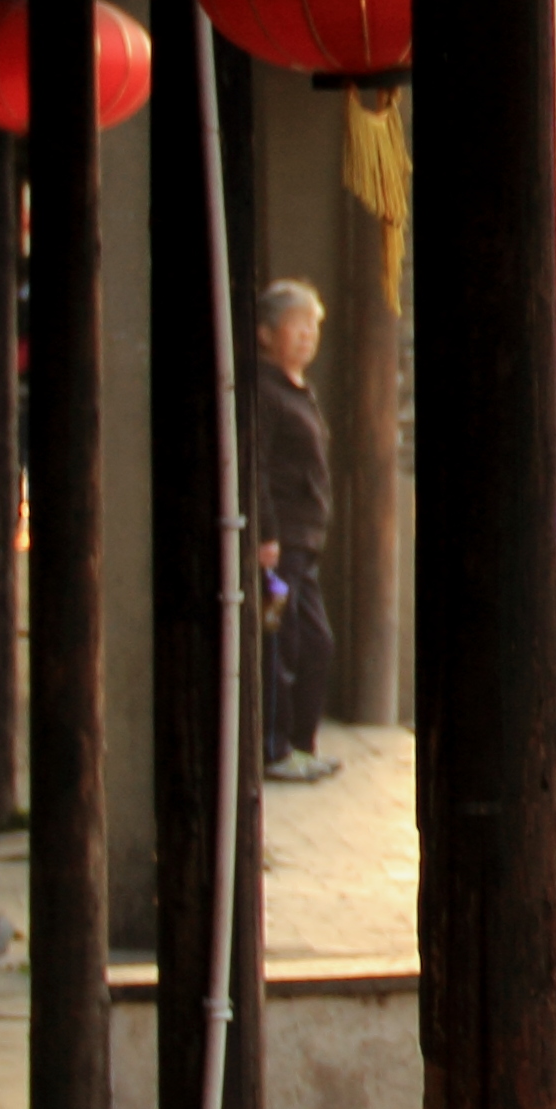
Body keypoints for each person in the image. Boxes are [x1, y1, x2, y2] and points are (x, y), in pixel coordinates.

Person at [248, 280, 339, 783]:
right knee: (284, 641)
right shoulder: (266, 391)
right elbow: (257, 467)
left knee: (312, 641)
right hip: (281, 545)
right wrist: (266, 533)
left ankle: (298, 744)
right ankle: (276, 749)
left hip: (304, 543)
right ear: (265, 333)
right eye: (296, 325)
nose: (307, 334)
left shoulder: (298, 389)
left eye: (313, 325)